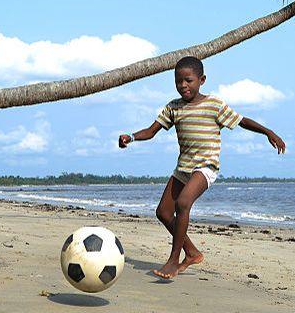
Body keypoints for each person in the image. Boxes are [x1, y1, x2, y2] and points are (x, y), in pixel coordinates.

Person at [118, 55, 285, 280]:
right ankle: (192, 253)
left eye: (188, 80)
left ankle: (173, 261)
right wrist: (131, 137)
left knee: (183, 202)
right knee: (164, 212)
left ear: (202, 80)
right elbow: (151, 130)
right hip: (183, 168)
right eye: (179, 81)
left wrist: (269, 132)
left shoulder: (213, 105)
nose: (183, 86)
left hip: (206, 167)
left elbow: (242, 120)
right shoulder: (173, 107)